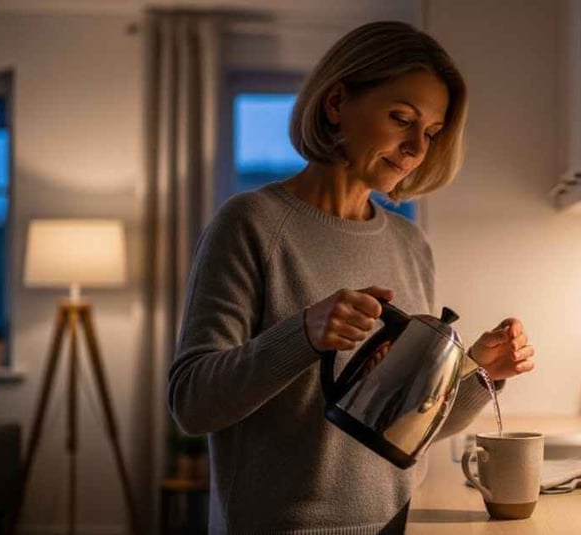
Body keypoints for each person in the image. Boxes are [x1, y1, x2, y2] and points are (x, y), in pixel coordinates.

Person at [167, 20, 536, 534]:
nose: (416, 149)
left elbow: (405, 430)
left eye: (431, 133)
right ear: (336, 103)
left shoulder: (410, 244)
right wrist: (303, 335)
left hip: (398, 524)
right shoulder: (250, 224)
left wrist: (479, 372)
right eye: (401, 119)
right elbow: (191, 404)